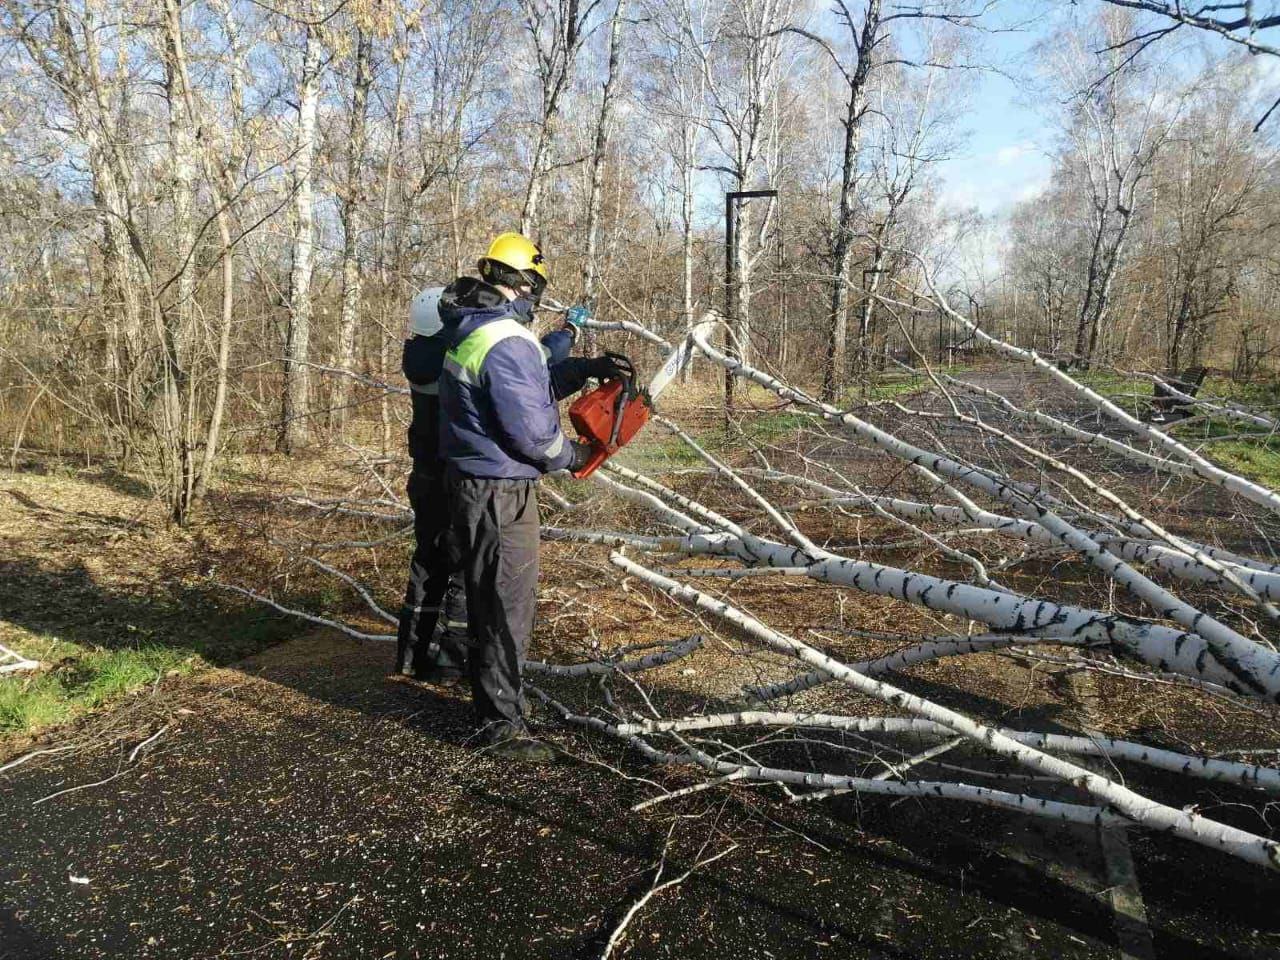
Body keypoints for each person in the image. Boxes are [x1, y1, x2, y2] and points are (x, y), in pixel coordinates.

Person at [438, 232, 620, 761]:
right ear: (522, 285)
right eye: (535, 287)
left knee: (488, 597)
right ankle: (501, 728)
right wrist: (577, 458)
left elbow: (525, 386)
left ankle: (495, 703)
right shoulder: (507, 340)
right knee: (505, 604)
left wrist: (583, 368)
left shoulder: (477, 329)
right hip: (500, 490)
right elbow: (535, 435)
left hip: (477, 482)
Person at [395, 284, 588, 685]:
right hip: (458, 476)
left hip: (426, 474)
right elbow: (534, 370)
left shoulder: (421, 355)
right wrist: (568, 332)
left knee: (428, 565)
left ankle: (411, 657)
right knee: (470, 572)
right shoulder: (457, 353)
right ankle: (451, 664)